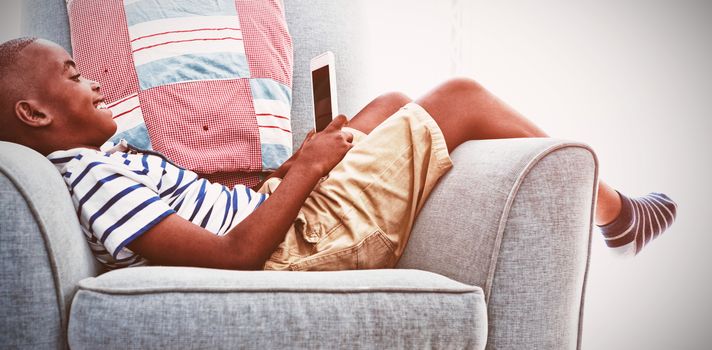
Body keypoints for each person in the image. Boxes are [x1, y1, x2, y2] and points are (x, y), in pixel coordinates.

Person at [0, 37, 678, 271]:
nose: (93, 81)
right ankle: (616, 213)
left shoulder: (105, 162)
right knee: (461, 96)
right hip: (292, 246)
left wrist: (286, 172)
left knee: (383, 104)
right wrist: (305, 171)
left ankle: (615, 211)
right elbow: (235, 257)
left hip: (270, 212)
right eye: (72, 75)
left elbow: (212, 213)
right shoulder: (89, 177)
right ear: (34, 113)